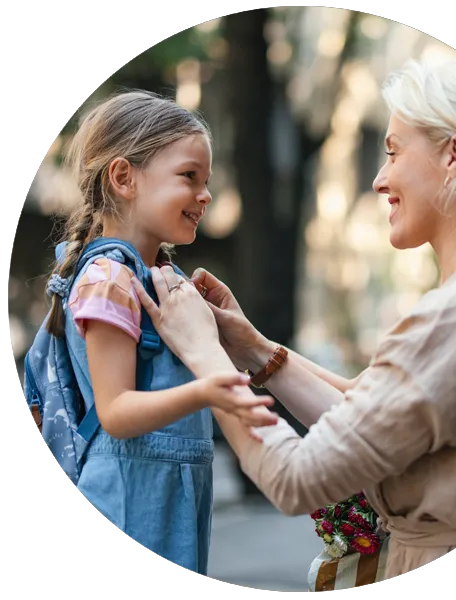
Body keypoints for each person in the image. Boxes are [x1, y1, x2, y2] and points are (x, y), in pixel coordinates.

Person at [132, 57, 456, 582]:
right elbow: (369, 417)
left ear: (454, 155)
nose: (379, 179)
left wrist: (204, 355)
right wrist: (250, 347)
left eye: (393, 152)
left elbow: (297, 478)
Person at [42, 90, 279, 575]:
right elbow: (116, 412)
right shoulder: (108, 279)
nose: (205, 194)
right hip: (127, 498)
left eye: (206, 181)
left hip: (169, 497)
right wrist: (204, 391)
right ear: (124, 178)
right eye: (189, 176)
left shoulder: (156, 280)